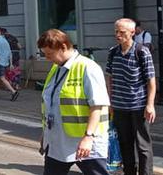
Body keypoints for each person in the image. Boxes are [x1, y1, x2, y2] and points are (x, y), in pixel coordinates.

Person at [38, 29, 110, 175]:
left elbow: (97, 105)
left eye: (49, 54)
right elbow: (51, 104)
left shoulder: (88, 68)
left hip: (85, 142)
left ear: (63, 47)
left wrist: (88, 137)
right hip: (57, 141)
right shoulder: (55, 69)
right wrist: (46, 134)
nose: (47, 58)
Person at [106, 18, 156, 175]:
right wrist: (110, 101)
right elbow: (110, 78)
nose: (118, 35)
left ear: (133, 33)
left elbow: (151, 81)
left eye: (122, 32)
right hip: (119, 107)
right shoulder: (113, 52)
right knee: (124, 143)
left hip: (138, 107)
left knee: (142, 146)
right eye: (116, 32)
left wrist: (150, 105)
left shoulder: (141, 51)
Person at [0, 26, 19, 101]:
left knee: (2, 78)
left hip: (0, 62)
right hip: (5, 62)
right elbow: (10, 52)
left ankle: (14, 92)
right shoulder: (4, 40)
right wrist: (11, 63)